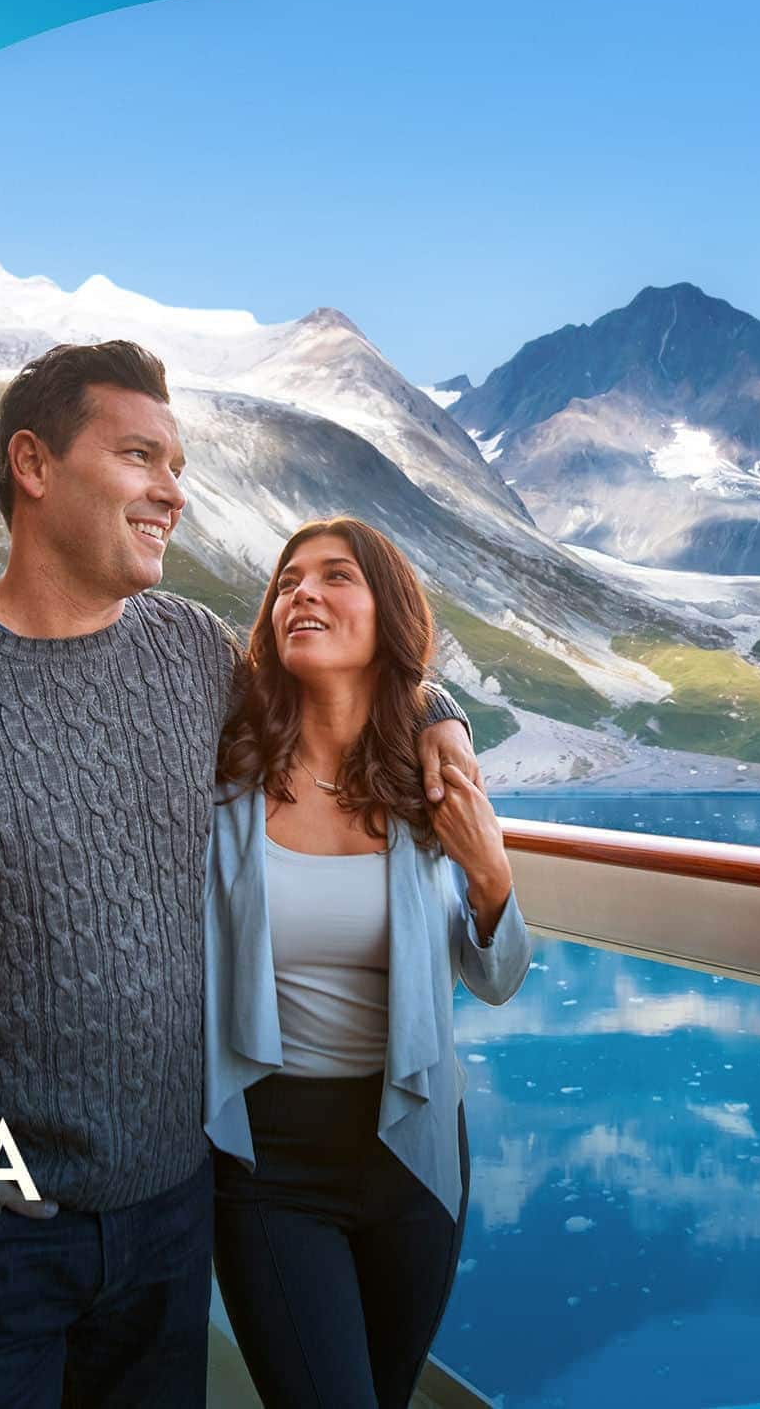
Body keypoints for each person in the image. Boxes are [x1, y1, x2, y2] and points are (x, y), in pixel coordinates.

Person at [0, 341, 478, 1409]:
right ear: (34, 466)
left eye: (177, 465)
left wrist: (438, 713)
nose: (173, 492)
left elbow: (344, 679)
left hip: (171, 1226)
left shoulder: (192, 654)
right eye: (139, 457)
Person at [205, 518, 531, 1409]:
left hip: (415, 1151)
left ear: (387, 617)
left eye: (334, 577)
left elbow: (496, 979)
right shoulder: (224, 774)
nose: (301, 593)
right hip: (267, 1163)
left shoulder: (428, 790)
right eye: (287, 582)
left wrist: (490, 872)